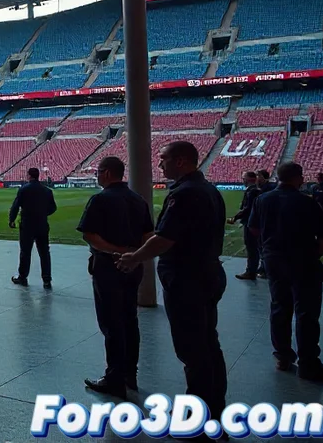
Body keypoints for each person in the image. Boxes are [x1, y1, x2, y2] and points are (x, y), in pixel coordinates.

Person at [119, 141, 227, 437]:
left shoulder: (185, 193)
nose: (159, 163)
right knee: (208, 344)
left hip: (187, 279)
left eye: (163, 158)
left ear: (180, 161)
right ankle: (214, 410)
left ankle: (197, 420)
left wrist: (134, 257)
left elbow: (165, 239)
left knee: (193, 351)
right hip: (207, 273)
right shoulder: (208, 189)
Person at [249, 162, 323, 382]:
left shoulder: (262, 199)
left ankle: (283, 357)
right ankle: (308, 364)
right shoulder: (306, 202)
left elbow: (253, 228)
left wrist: (269, 248)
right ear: (298, 178)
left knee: (279, 308)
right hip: (303, 263)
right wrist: (313, 254)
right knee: (306, 313)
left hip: (274, 262)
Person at [77, 156, 154, 398]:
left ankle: (114, 379)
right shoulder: (138, 199)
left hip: (107, 267)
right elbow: (148, 235)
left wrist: (116, 252)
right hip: (134, 267)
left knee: (111, 323)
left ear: (108, 173)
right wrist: (135, 256)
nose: (97, 176)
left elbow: (90, 235)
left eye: (98, 172)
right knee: (130, 319)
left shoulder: (100, 199)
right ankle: (130, 374)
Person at [10, 167, 58, 289]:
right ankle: (47, 280)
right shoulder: (47, 191)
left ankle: (23, 277)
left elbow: (15, 206)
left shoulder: (23, 189)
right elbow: (53, 208)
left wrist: (11, 220)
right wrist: (43, 214)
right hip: (42, 224)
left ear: (29, 176)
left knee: (25, 252)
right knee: (44, 253)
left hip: (27, 225)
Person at [231, 171, 264, 280]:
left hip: (250, 222)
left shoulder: (252, 191)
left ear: (250, 179)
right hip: (255, 222)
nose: (243, 180)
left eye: (244, 178)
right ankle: (256, 269)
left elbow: (247, 208)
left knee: (251, 247)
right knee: (256, 247)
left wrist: (235, 217)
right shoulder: (256, 190)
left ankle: (251, 271)